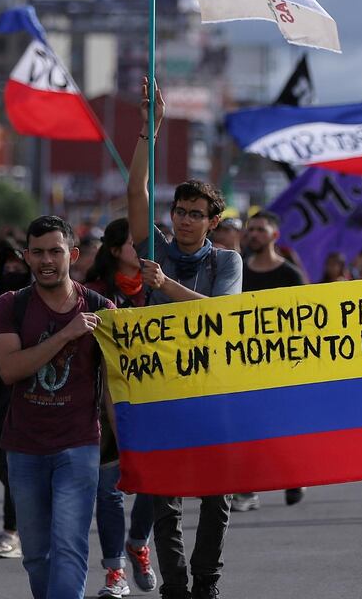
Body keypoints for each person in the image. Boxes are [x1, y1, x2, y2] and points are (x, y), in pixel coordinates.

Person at [126, 80, 242, 599]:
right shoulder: (155, 248)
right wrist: (148, 132)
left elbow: (221, 314)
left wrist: (166, 287)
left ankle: (206, 581)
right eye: (180, 211)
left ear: (213, 222)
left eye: (197, 214)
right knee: (163, 495)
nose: (186, 220)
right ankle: (174, 584)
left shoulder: (227, 262)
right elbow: (135, 194)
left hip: (214, 391)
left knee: (217, 495)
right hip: (161, 388)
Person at [0, 216, 116, 599]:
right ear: (26, 256)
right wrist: (66, 334)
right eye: (38, 252)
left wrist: (127, 446)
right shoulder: (11, 305)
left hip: (79, 444)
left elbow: (113, 388)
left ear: (72, 255)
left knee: (69, 545)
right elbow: (10, 370)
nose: (47, 260)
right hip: (24, 446)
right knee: (36, 555)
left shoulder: (100, 308)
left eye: (55, 252)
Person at [84, 217, 155, 596]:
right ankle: (115, 570)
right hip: (103, 404)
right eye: (134, 243)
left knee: (155, 482)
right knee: (108, 490)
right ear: (114, 251)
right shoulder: (95, 295)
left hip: (154, 403)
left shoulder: (159, 291)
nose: (145, 248)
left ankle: (138, 542)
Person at [231, 211, 306, 514]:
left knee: (281, 428)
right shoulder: (238, 272)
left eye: (261, 229)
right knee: (248, 428)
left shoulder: (291, 275)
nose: (254, 235)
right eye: (251, 230)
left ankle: (293, 475)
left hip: (282, 366)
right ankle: (247, 489)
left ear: (275, 235)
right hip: (246, 365)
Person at [0, 241, 31, 562]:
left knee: (18, 471)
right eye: (7, 267)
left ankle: (12, 531)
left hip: (35, 405)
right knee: (7, 471)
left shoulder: (38, 310)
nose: (12, 272)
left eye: (18, 267)